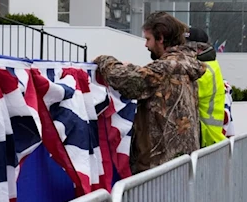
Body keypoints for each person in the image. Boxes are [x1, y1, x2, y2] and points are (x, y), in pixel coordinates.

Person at [93, 11, 205, 174]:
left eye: (148, 39)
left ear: (161, 38)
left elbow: (129, 81)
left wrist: (105, 61)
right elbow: (150, 77)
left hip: (160, 166)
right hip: (183, 162)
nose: (146, 45)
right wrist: (132, 68)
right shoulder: (186, 63)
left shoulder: (166, 68)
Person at [184, 27, 226, 147]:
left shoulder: (203, 72)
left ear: (199, 49)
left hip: (206, 138)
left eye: (187, 48)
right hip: (211, 138)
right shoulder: (210, 65)